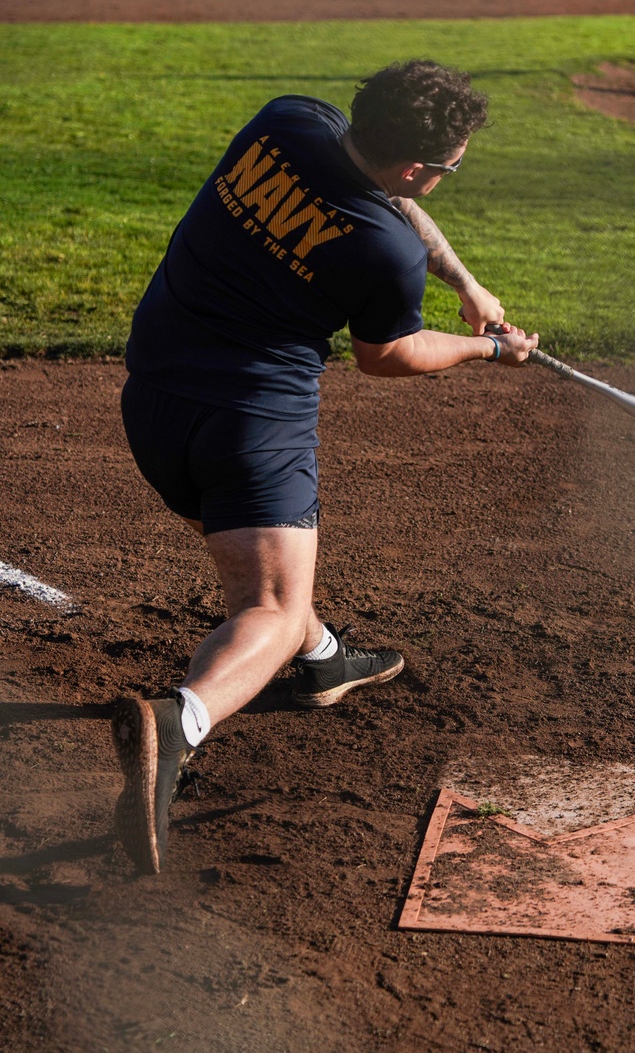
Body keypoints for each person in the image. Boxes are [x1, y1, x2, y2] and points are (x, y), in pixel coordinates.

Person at [111, 60, 538, 874]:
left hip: (154, 401)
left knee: (278, 589)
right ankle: (178, 724)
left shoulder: (289, 119)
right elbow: (389, 355)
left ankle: (322, 662)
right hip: (248, 430)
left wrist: (467, 281)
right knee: (268, 604)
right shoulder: (383, 254)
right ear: (418, 167)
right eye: (452, 165)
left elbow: (391, 203)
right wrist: (490, 347)